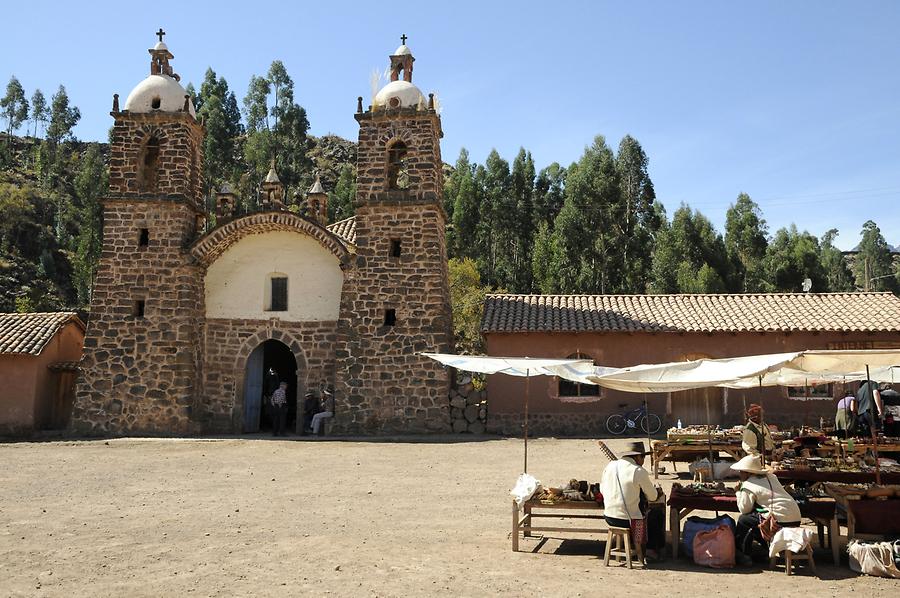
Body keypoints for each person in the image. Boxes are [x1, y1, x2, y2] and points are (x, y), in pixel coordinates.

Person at [599, 440, 664, 560]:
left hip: (609, 517)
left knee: (643, 512)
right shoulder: (638, 471)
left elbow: (602, 490)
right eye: (643, 457)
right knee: (656, 514)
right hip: (628, 520)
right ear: (638, 457)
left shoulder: (610, 466)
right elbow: (653, 497)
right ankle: (650, 551)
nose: (643, 462)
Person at [731, 454, 801, 565]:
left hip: (779, 520)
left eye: (741, 471)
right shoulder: (772, 477)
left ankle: (743, 554)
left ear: (748, 473)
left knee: (744, 520)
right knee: (756, 518)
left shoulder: (748, 485)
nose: (740, 474)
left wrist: (738, 492)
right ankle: (766, 548)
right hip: (795, 516)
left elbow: (744, 509)